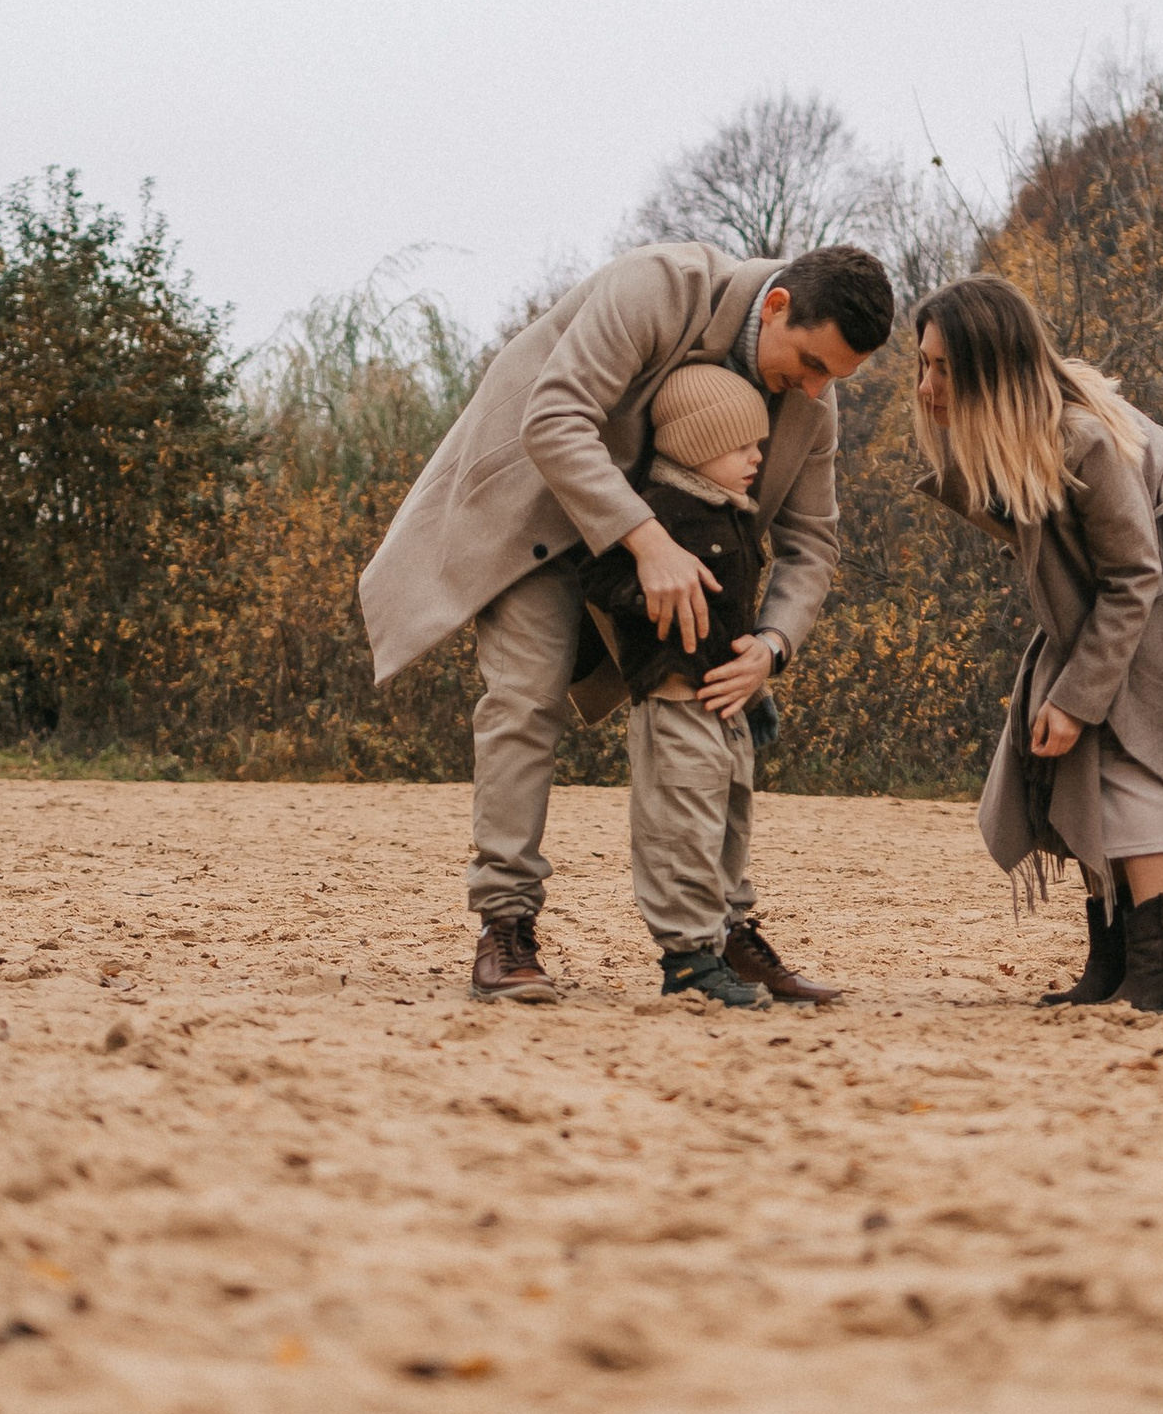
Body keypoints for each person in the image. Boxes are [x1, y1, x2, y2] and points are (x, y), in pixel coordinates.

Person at [360, 239, 894, 1002]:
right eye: (811, 364)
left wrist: (772, 647)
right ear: (776, 306)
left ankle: (721, 934)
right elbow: (554, 418)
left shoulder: (814, 399)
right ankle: (505, 925)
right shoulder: (657, 287)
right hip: (538, 513)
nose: (813, 391)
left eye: (833, 378)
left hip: (672, 552)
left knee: (717, 727)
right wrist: (647, 542)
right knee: (525, 700)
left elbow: (812, 543)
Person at [913, 274, 1163, 1012]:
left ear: (991, 369)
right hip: (1131, 584)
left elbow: (1135, 574)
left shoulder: (1082, 438)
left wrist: (1078, 696)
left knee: (1130, 748)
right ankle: (1113, 959)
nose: (926, 384)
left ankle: (1162, 969)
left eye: (944, 368)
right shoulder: (1025, 432)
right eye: (923, 365)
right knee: (1079, 743)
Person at [575, 364, 786, 1008]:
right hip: (672, 703)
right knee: (680, 827)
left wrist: (760, 691)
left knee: (729, 824)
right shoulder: (657, 515)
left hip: (726, 707)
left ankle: (723, 938)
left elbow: (731, 623)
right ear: (696, 445)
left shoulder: (738, 518)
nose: (757, 457)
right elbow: (598, 579)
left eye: (758, 444)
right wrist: (647, 594)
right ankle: (688, 958)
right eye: (741, 445)